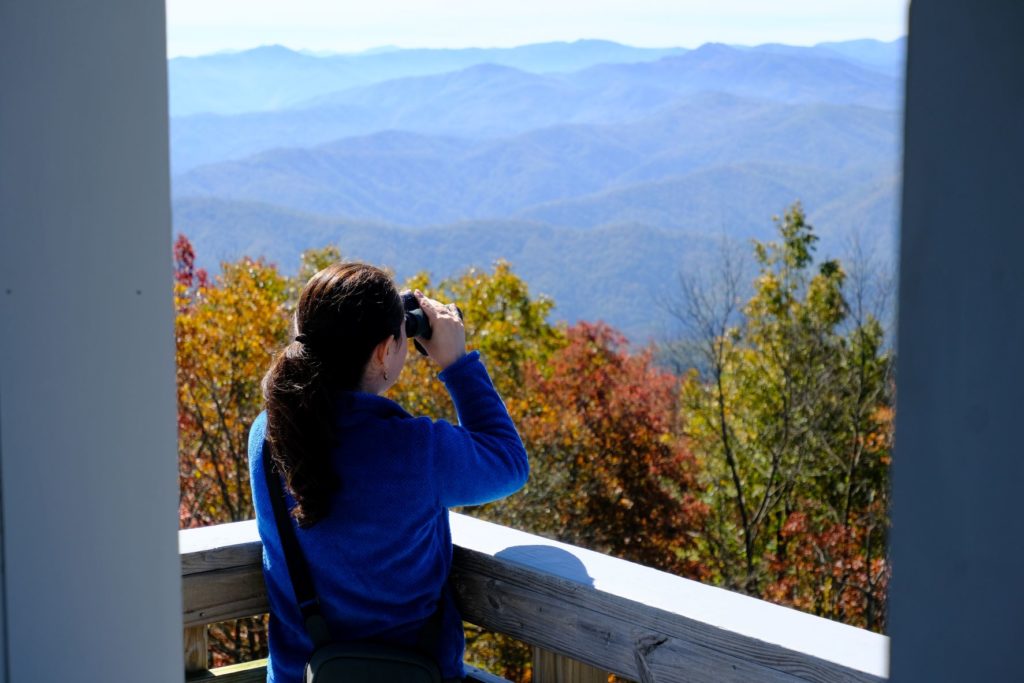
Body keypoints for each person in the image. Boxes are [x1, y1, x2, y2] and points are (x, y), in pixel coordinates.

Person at [248, 262, 529, 683]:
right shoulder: (415, 449)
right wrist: (457, 363)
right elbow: (509, 463)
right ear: (382, 353)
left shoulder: (269, 434)